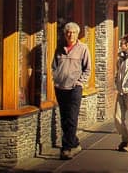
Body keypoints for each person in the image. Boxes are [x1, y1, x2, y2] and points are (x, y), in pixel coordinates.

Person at [52, 22, 91, 160]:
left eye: (73, 32)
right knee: (64, 118)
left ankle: (66, 148)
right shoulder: (59, 48)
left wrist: (80, 83)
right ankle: (75, 142)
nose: (70, 35)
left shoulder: (83, 48)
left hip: (75, 88)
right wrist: (55, 79)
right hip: (60, 87)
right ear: (65, 34)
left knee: (72, 117)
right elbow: (54, 66)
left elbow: (87, 69)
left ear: (77, 34)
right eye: (68, 32)